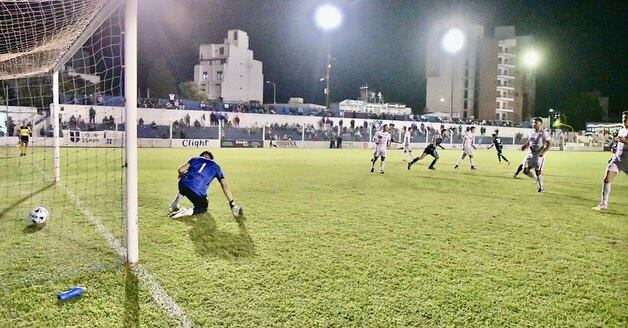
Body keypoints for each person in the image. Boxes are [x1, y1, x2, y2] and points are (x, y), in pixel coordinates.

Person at [169, 151, 242, 219]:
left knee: (185, 186)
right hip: (197, 192)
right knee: (203, 207)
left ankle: (175, 204)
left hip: (182, 184)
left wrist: (182, 175)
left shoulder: (195, 159)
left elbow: (181, 170)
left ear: (201, 156)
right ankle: (185, 212)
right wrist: (232, 203)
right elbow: (224, 185)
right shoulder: (216, 166)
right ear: (211, 158)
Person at [593, 111, 627, 211]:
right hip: (618, 160)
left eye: (626, 118)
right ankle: (603, 204)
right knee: (607, 179)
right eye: (623, 117)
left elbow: (624, 141)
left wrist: (623, 140)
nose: (624, 120)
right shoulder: (621, 130)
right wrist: (614, 153)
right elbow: (620, 145)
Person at [521, 117, 551, 192]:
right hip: (530, 153)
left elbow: (550, 144)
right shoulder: (531, 131)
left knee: (538, 171)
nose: (533, 124)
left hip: (538, 155)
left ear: (540, 124)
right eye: (533, 122)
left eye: (536, 123)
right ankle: (536, 180)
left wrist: (543, 152)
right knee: (525, 170)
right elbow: (530, 141)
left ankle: (541, 187)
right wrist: (525, 145)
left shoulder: (544, 133)